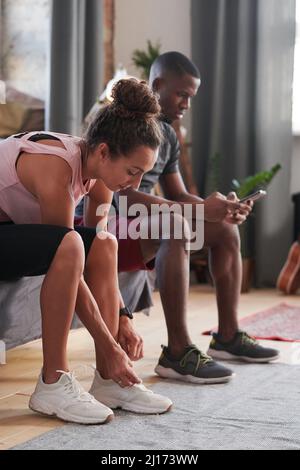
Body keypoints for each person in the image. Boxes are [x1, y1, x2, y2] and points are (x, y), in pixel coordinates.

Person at [0, 78, 172, 425]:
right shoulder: (55, 168)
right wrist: (110, 345)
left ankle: (109, 382)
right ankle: (52, 381)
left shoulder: (98, 176)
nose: (135, 184)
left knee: (104, 243)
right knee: (70, 242)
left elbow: (98, 248)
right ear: (104, 151)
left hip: (11, 231)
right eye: (133, 171)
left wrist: (123, 316)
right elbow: (66, 256)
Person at [111, 52, 280, 384]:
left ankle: (227, 336)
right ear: (158, 85)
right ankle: (177, 352)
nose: (186, 103)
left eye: (190, 97)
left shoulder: (170, 135)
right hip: (116, 220)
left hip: (150, 217)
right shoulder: (128, 127)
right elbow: (124, 195)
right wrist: (198, 210)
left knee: (226, 231)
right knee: (177, 224)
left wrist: (219, 208)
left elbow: (176, 194)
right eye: (181, 94)